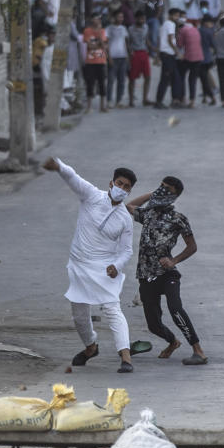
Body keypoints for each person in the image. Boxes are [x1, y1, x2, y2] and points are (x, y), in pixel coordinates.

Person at [42, 157, 138, 374]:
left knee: (112, 309)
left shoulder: (125, 219)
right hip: (79, 265)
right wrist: (58, 166)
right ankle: (90, 347)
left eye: (127, 187)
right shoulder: (92, 195)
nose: (121, 189)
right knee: (79, 315)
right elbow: (73, 177)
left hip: (105, 268)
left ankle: (126, 356)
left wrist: (117, 265)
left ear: (129, 192)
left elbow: (126, 250)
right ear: (111, 183)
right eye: (119, 183)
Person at [124, 177, 208, 366]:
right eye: (160, 187)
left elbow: (192, 246)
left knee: (175, 308)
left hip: (167, 274)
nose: (161, 191)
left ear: (175, 195)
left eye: (166, 189)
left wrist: (174, 260)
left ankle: (198, 351)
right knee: (153, 325)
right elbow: (129, 206)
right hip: (146, 275)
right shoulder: (148, 214)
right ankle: (172, 342)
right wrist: (152, 194)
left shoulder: (178, 219)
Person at [155, 8, 184, 109]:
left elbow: (160, 39)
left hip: (167, 54)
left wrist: (157, 55)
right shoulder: (170, 24)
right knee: (166, 78)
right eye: (176, 15)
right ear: (171, 15)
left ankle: (175, 100)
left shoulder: (165, 24)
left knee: (174, 78)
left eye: (178, 16)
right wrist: (178, 52)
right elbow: (170, 40)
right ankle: (159, 101)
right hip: (168, 54)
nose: (177, 18)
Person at [82, 15, 109, 112]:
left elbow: (104, 46)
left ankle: (103, 106)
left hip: (101, 60)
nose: (97, 20)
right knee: (90, 83)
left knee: (102, 83)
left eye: (98, 18)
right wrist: (99, 45)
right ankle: (89, 107)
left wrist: (100, 35)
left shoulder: (102, 31)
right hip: (90, 60)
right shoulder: (87, 31)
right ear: (91, 19)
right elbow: (90, 46)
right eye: (95, 18)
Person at [176, 15, 204, 107]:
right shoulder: (195, 29)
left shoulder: (182, 30)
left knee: (182, 76)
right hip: (198, 57)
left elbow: (179, 45)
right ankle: (192, 101)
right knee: (193, 79)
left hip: (188, 57)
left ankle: (182, 97)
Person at [127, 10, 154, 106]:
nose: (143, 20)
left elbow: (146, 40)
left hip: (144, 53)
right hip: (135, 53)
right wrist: (129, 53)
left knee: (148, 76)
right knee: (132, 78)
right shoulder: (130, 29)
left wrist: (154, 49)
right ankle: (131, 100)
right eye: (141, 18)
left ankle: (145, 99)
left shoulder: (146, 27)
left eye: (144, 19)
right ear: (136, 19)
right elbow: (128, 42)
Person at [105, 10, 130, 107]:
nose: (121, 19)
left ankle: (119, 100)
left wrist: (127, 56)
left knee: (122, 80)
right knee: (111, 80)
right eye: (119, 17)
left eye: (122, 17)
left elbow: (126, 42)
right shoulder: (109, 29)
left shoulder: (124, 28)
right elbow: (106, 44)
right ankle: (109, 100)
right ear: (114, 17)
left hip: (123, 57)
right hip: (113, 57)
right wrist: (108, 57)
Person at [198, 14, 218, 105]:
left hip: (199, 58)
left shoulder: (198, 30)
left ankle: (210, 97)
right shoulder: (209, 32)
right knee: (204, 77)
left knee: (204, 79)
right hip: (207, 57)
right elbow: (213, 45)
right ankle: (208, 97)